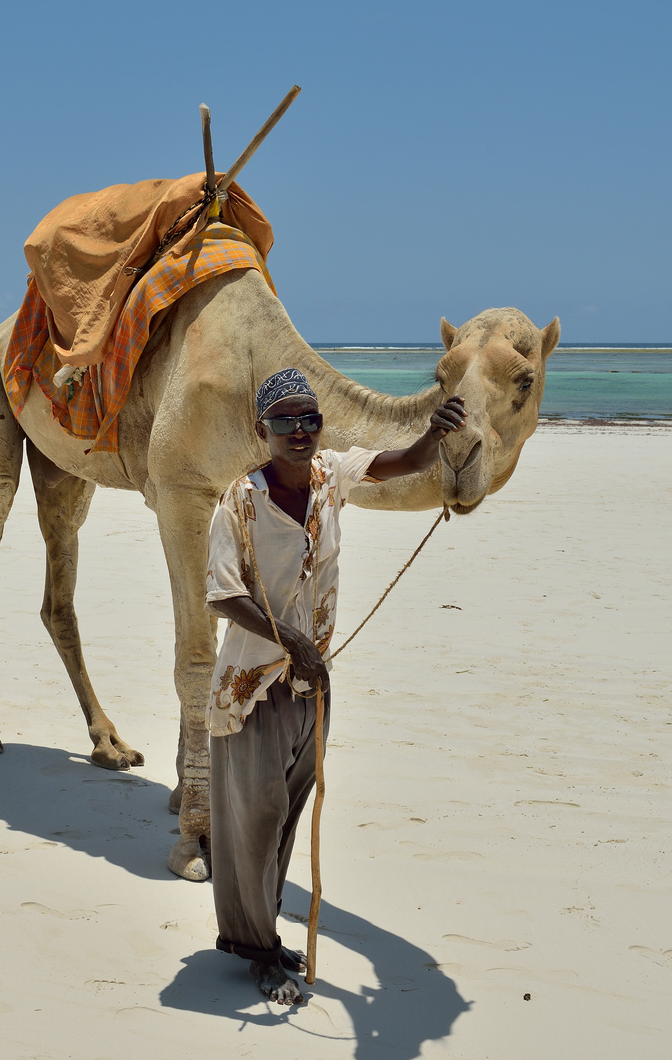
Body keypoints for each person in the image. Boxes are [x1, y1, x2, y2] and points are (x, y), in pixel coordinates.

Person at [205, 367, 467, 1006]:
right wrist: (290, 641)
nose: (299, 431)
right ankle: (258, 950)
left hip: (311, 685)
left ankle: (265, 933)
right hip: (254, 686)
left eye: (309, 419)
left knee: (290, 811)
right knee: (253, 820)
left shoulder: (332, 477)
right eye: (285, 421)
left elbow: (401, 462)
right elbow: (223, 594)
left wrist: (436, 433)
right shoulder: (240, 501)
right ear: (261, 429)